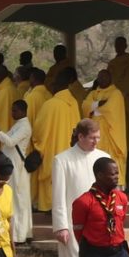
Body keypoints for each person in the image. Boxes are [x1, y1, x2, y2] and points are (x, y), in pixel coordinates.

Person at [51, 119, 111, 257]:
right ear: (80, 137)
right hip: (72, 224)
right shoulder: (62, 160)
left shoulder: (103, 158)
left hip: (101, 224)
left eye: (98, 138)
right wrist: (60, 225)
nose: (96, 142)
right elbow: (58, 195)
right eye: (92, 138)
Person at [31, 70, 83, 212]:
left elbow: (39, 131)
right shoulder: (73, 103)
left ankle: (49, 206)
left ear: (56, 85)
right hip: (70, 150)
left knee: (52, 177)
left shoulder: (50, 104)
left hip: (52, 150)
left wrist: (37, 145)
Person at [0, 101, 32, 247]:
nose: (12, 113)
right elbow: (6, 140)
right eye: (12, 110)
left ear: (23, 111)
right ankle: (18, 234)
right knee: (15, 199)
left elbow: (10, 142)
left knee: (18, 200)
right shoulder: (18, 124)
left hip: (17, 167)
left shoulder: (25, 126)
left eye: (15, 111)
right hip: (11, 165)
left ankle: (20, 235)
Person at [86, 70, 128, 187]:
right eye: (101, 77)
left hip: (111, 133)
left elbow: (110, 109)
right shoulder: (94, 93)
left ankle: (116, 184)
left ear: (110, 79)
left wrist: (95, 108)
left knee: (112, 158)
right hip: (96, 132)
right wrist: (98, 103)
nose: (103, 80)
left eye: (105, 77)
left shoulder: (115, 93)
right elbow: (85, 105)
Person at [107, 37, 129, 150]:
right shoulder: (112, 63)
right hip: (112, 98)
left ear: (126, 46)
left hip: (126, 98)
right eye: (117, 45)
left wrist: (121, 93)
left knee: (128, 127)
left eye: (121, 45)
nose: (118, 47)